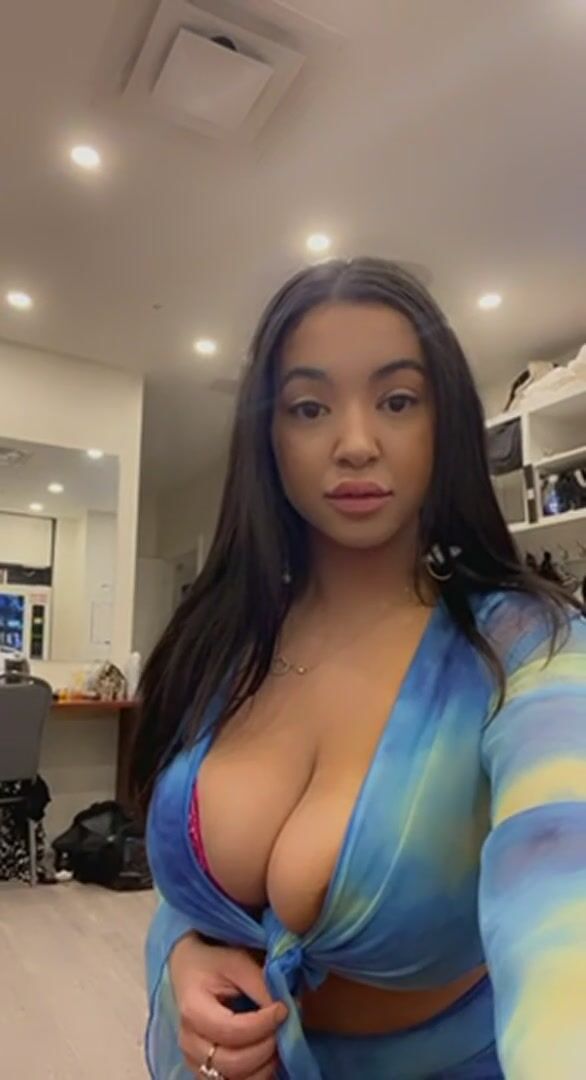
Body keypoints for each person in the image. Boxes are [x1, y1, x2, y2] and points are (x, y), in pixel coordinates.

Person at [132, 258, 586, 1080]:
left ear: (444, 423)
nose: (355, 444)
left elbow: (564, 883)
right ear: (269, 437)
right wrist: (182, 955)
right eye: (310, 408)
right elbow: (184, 893)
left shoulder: (529, 646)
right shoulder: (223, 639)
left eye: (398, 401)